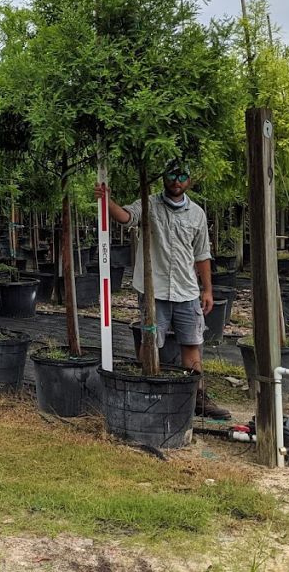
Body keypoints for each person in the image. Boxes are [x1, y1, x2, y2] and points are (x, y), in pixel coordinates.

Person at [103, 162, 231, 420]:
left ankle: (196, 396)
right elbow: (127, 218)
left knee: (192, 344)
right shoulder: (148, 204)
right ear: (164, 176)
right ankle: (146, 391)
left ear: (189, 180)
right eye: (172, 175)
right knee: (151, 342)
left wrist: (207, 290)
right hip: (154, 290)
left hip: (186, 290)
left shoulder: (197, 214)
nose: (177, 181)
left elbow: (202, 254)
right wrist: (107, 200)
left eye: (183, 175)